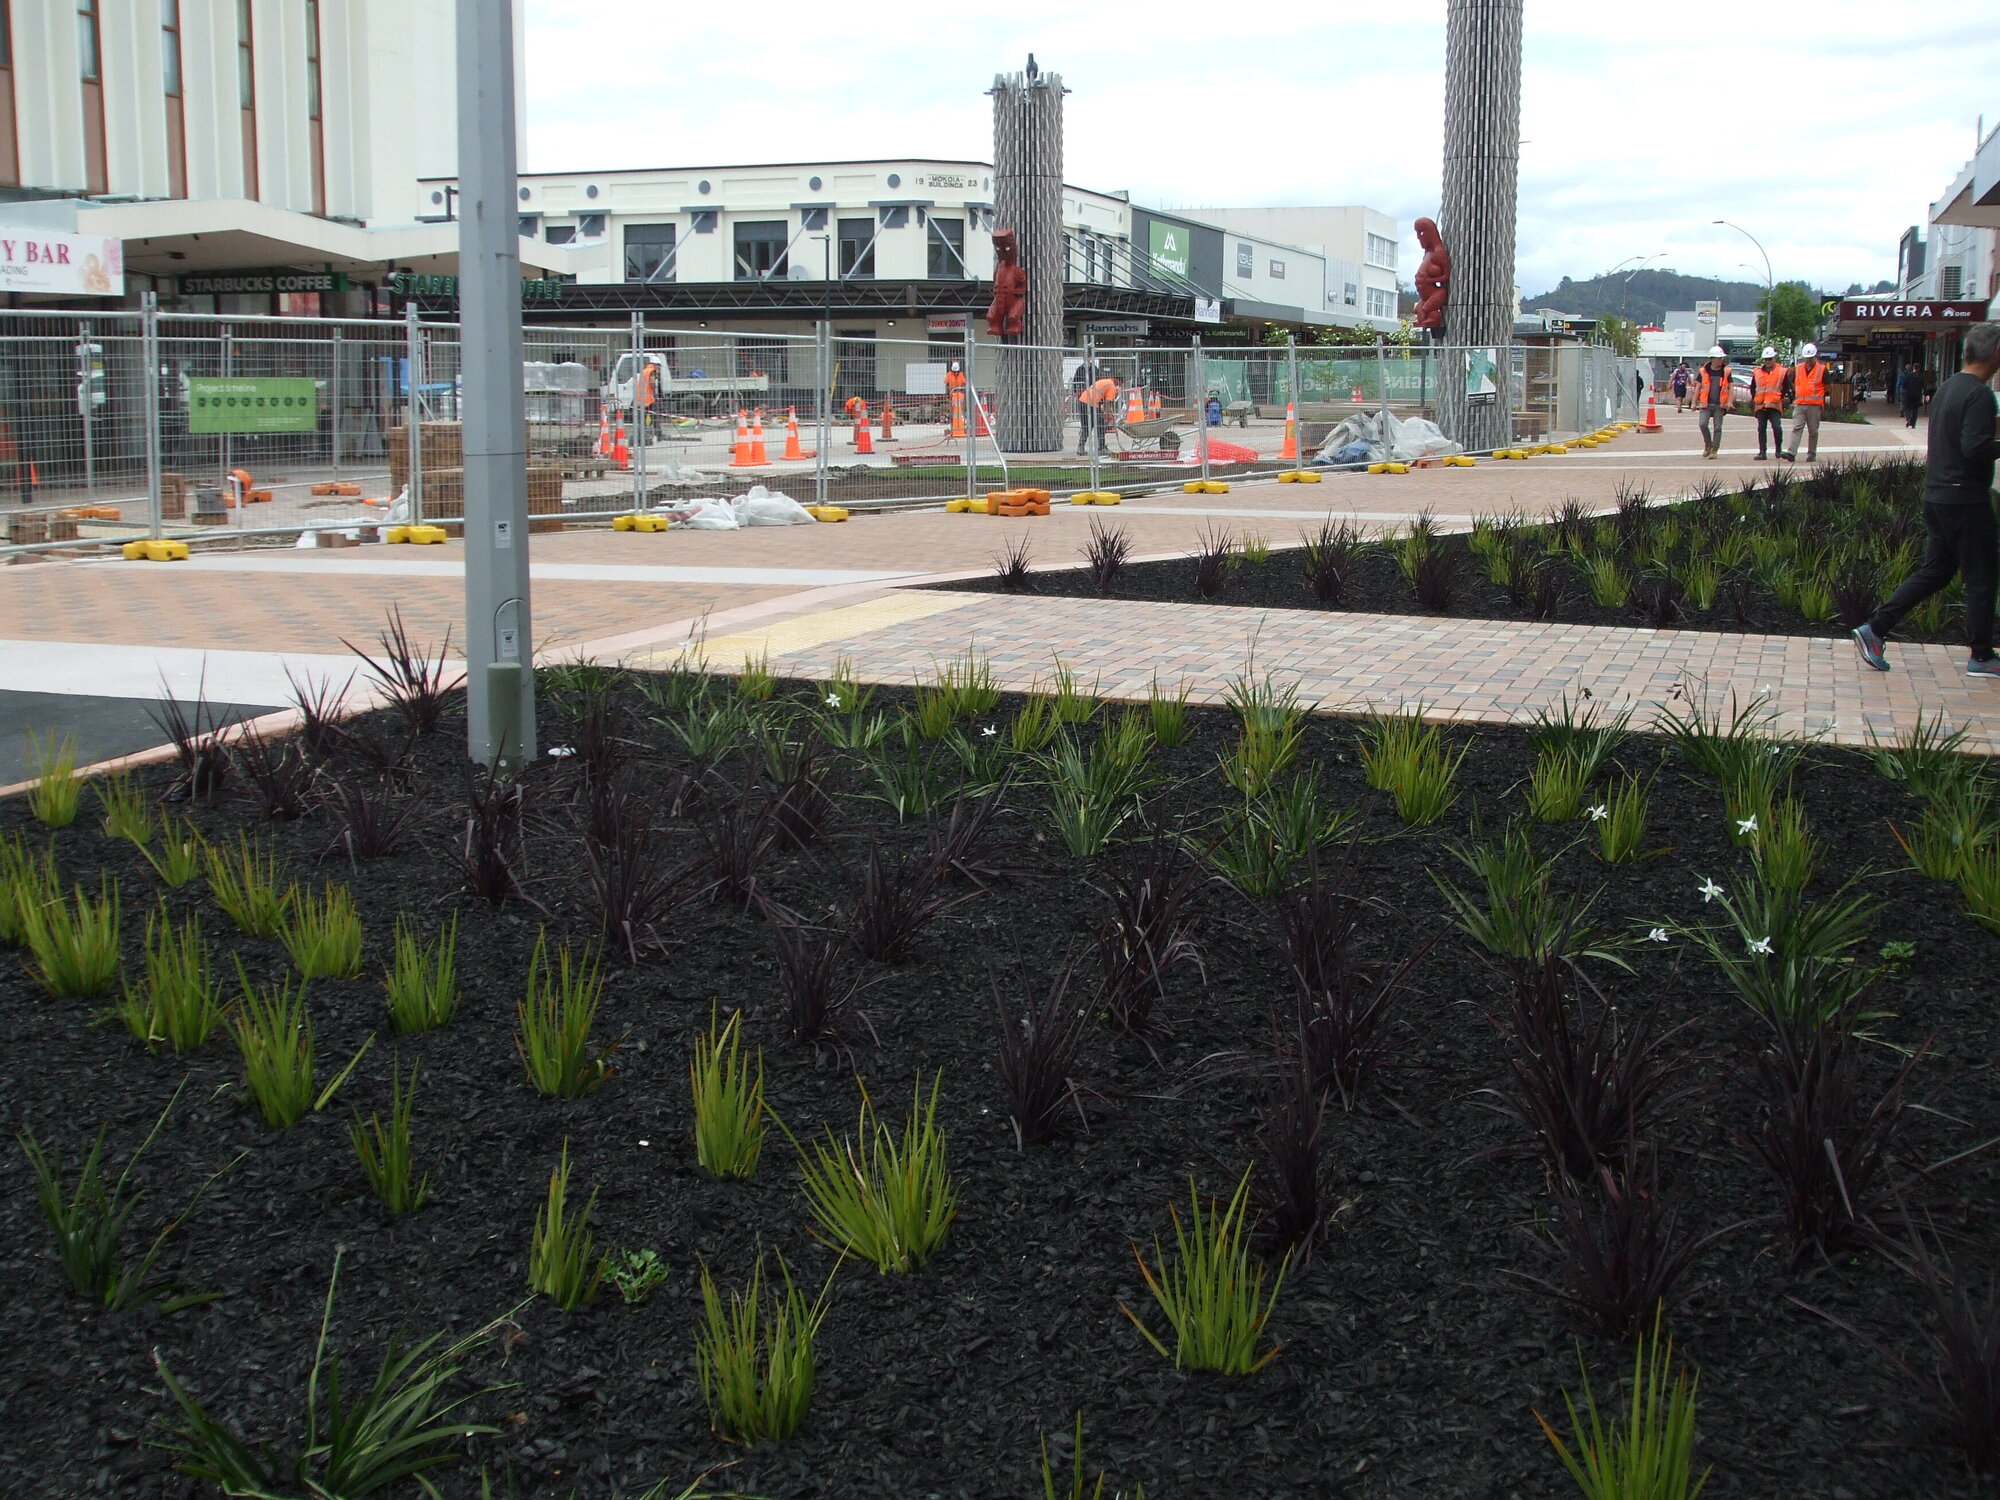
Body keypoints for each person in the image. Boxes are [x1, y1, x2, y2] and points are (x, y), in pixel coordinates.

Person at [1853, 323, 2000, 678]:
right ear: (1996, 354)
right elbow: (1974, 447)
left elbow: (1963, 433)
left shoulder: (1949, 388)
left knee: (1936, 570)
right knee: (1982, 576)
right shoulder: (1980, 394)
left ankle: (1876, 628)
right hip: (1965, 499)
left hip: (1937, 496)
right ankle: (1981, 655)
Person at [1781, 342, 1829, 463]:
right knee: (1797, 428)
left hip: (1814, 405)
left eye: (1810, 358)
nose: (1808, 361)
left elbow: (1828, 386)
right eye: (1806, 358)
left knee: (1813, 431)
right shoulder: (1797, 369)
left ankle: (1811, 454)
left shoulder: (1822, 370)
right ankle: (1791, 452)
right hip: (1800, 404)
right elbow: (1790, 381)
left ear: (1815, 357)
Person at [1694, 346, 1731, 459]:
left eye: (1721, 358)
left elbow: (1731, 387)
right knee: (1702, 424)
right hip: (1706, 403)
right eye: (1718, 358)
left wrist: (1729, 402)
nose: (1721, 360)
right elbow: (1698, 387)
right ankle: (1708, 444)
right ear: (1712, 359)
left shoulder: (1726, 372)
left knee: (1717, 427)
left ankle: (1715, 449)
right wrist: (1693, 402)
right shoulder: (1704, 371)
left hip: (1719, 404)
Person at [1751, 346, 1788, 461]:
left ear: (1774, 358)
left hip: (1774, 405)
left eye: (1770, 359)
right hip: (1761, 405)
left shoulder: (1781, 371)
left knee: (1777, 428)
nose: (1768, 361)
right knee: (1761, 428)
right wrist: (1755, 398)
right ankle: (1762, 452)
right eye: (1766, 359)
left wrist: (1780, 398)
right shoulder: (1757, 372)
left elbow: (1786, 387)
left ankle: (1778, 449)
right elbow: (1753, 387)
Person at [1077, 373, 1119, 455]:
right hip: (1091, 403)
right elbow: (1107, 402)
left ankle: (1080, 447)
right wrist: (1107, 417)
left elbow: (1101, 398)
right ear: (1117, 381)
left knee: (1086, 426)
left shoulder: (1105, 381)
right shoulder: (1112, 386)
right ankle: (1101, 447)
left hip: (1082, 400)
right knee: (1100, 425)